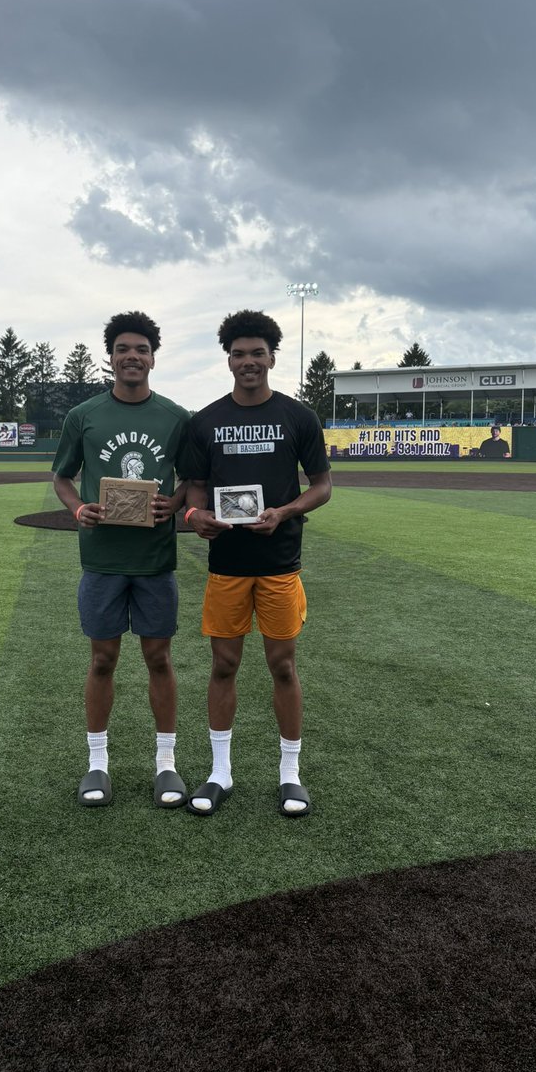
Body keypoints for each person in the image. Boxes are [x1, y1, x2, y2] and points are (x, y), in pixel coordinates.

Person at [179, 310, 332, 818]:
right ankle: (219, 772)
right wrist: (197, 516)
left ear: (272, 357)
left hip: (279, 562)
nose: (249, 362)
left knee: (282, 665)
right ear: (228, 359)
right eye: (240, 354)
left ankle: (290, 774)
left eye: (257, 353)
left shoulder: (298, 416)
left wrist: (285, 512)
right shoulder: (205, 421)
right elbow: (195, 496)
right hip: (227, 565)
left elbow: (323, 486)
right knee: (224, 665)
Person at [52, 311, 190, 809]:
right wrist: (78, 508)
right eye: (123, 349)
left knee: (158, 658)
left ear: (154, 357)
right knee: (103, 659)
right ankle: (97, 764)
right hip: (102, 561)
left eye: (142, 349)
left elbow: (193, 479)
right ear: (110, 357)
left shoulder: (177, 418)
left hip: (155, 561)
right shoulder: (83, 415)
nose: (132, 356)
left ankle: (166, 765)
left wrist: (173, 505)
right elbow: (63, 478)